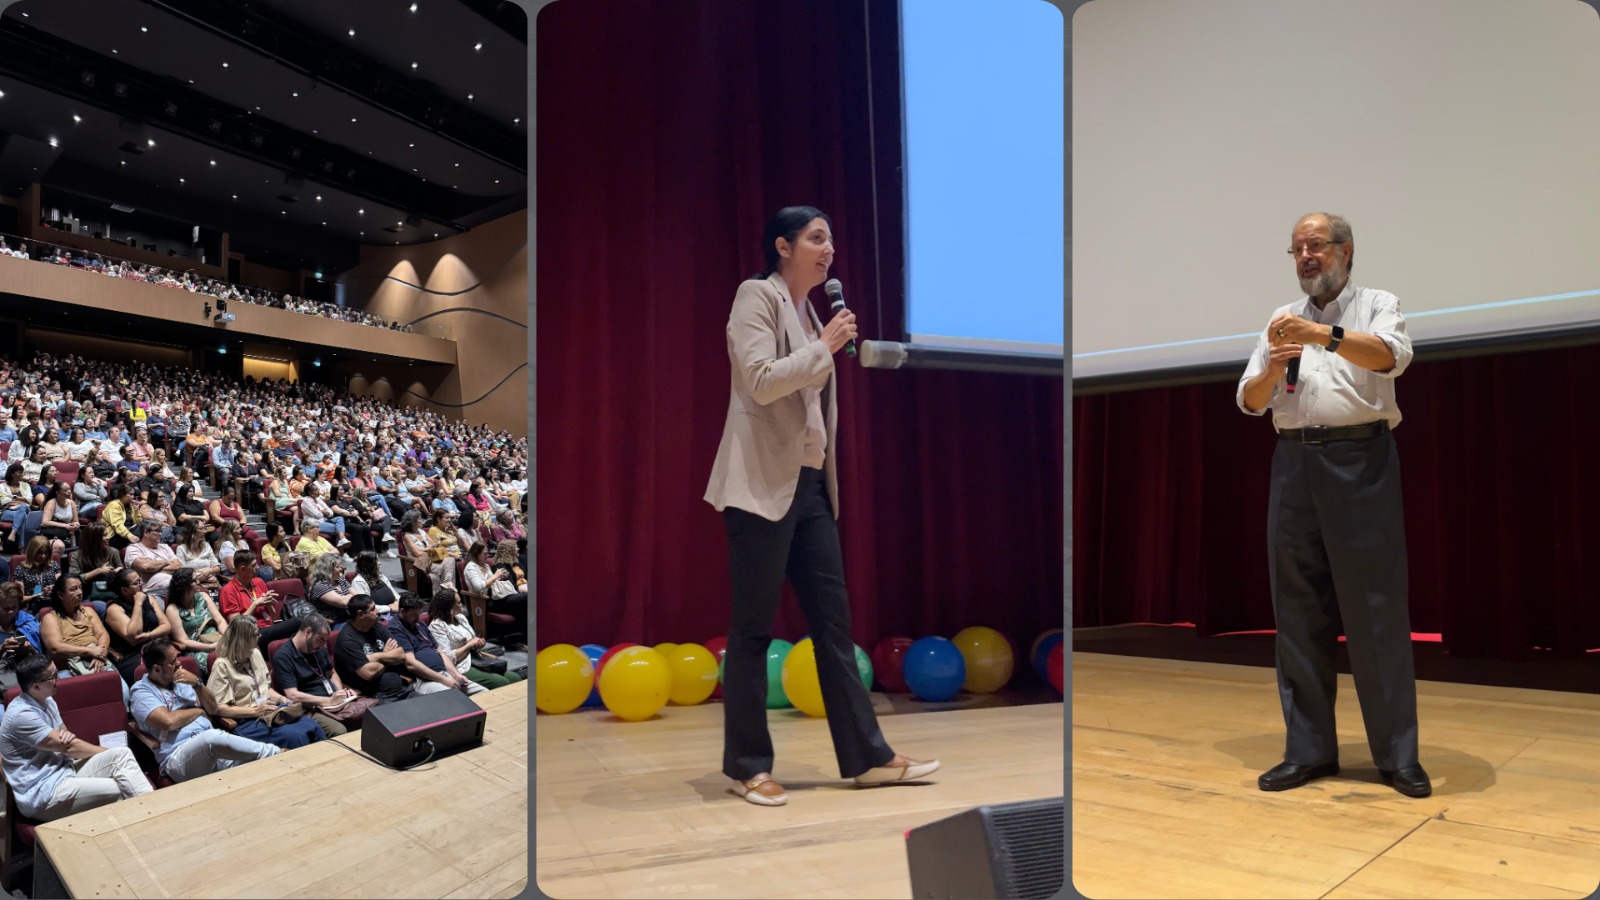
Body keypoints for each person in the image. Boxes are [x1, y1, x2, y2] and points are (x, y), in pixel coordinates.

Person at [702, 206, 938, 806]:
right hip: (761, 487)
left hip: (808, 487)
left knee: (834, 627)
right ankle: (748, 766)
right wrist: (826, 347)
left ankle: (869, 758)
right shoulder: (756, 296)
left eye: (831, 238)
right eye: (816, 238)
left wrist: (822, 342)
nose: (829, 248)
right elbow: (760, 380)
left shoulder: (809, 313)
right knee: (752, 630)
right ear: (783, 246)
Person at [1236, 212, 1426, 798]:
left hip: (1360, 461)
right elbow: (1250, 400)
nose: (1305, 257)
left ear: (1345, 251)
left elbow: (1390, 357)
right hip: (1294, 464)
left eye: (1315, 245)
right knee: (1297, 612)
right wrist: (1272, 366)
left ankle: (1397, 757)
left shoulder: (1378, 304)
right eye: (1296, 249)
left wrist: (1323, 335)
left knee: (1375, 612)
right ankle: (1309, 751)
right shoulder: (1281, 319)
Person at [0, 654, 152, 822]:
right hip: (43, 791)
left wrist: (65, 743)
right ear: (36, 686)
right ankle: (152, 820)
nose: (58, 679)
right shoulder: (22, 715)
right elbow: (69, 747)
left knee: (121, 754)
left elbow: (66, 736)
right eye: (53, 676)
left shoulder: (47, 700)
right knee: (120, 787)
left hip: (64, 768)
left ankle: (155, 811)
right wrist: (69, 745)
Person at [129, 639, 280, 783]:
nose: (179, 663)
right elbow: (168, 722)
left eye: (178, 657)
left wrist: (197, 683)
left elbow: (212, 708)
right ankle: (276, 752)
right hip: (178, 757)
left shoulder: (182, 680)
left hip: (211, 749)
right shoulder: (141, 692)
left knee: (260, 766)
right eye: (173, 661)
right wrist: (198, 712)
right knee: (211, 738)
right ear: (157, 669)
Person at [205, 617, 325, 750]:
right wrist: (255, 711)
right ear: (243, 639)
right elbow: (219, 708)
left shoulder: (255, 653)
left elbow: (266, 688)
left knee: (312, 726)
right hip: (245, 720)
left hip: (269, 712)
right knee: (296, 736)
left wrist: (284, 700)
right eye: (256, 635)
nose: (259, 637)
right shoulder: (222, 665)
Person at [271, 613, 363, 734]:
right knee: (339, 730)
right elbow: (292, 695)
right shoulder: (284, 656)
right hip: (310, 708)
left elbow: (332, 673)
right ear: (308, 632)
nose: (323, 645)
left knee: (371, 713)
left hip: (333, 702)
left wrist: (339, 693)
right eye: (320, 640)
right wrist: (328, 701)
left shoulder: (319, 650)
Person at [427, 588, 521, 690]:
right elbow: (447, 657)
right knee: (501, 682)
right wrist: (470, 644)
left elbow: (472, 639)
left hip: (476, 658)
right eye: (458, 603)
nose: (461, 605)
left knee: (515, 678)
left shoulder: (460, 618)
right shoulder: (437, 626)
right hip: (459, 666)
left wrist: (478, 644)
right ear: (449, 607)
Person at [332, 595, 412, 703]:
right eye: (373, 609)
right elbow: (368, 673)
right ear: (361, 614)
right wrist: (388, 656)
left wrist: (376, 656)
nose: (377, 612)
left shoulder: (376, 626)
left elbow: (401, 655)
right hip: (377, 697)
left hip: (402, 689)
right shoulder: (347, 640)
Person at [103, 567, 172, 683]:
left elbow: (167, 626)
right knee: (159, 670)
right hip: (130, 656)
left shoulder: (149, 598)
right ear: (124, 590)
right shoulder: (114, 609)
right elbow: (133, 637)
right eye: (136, 583)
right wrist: (138, 603)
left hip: (153, 648)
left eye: (140, 580)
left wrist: (150, 635)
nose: (141, 584)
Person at [162, 568, 224, 678]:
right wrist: (210, 647)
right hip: (196, 649)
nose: (199, 582)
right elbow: (183, 641)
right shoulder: (173, 609)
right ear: (184, 585)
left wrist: (227, 637)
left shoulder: (203, 596)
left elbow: (220, 620)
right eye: (194, 580)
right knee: (219, 662)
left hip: (216, 639)